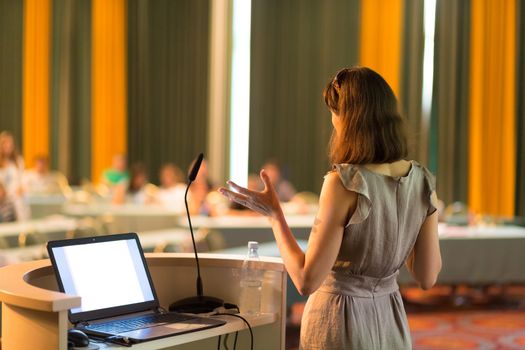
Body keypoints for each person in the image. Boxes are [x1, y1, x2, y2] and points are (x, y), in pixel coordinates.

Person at [219, 67, 441, 349]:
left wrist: (275, 216)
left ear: (349, 119)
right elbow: (427, 276)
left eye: (334, 113)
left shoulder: (344, 182)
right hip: (390, 320)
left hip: (339, 319)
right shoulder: (422, 180)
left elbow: (306, 280)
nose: (333, 122)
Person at [0, 131, 28, 220]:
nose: (8, 146)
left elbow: (23, 178)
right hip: (3, 199)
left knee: (19, 203)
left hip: (16, 197)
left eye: (10, 143)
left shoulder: (18, 161)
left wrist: (21, 188)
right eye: (5, 143)